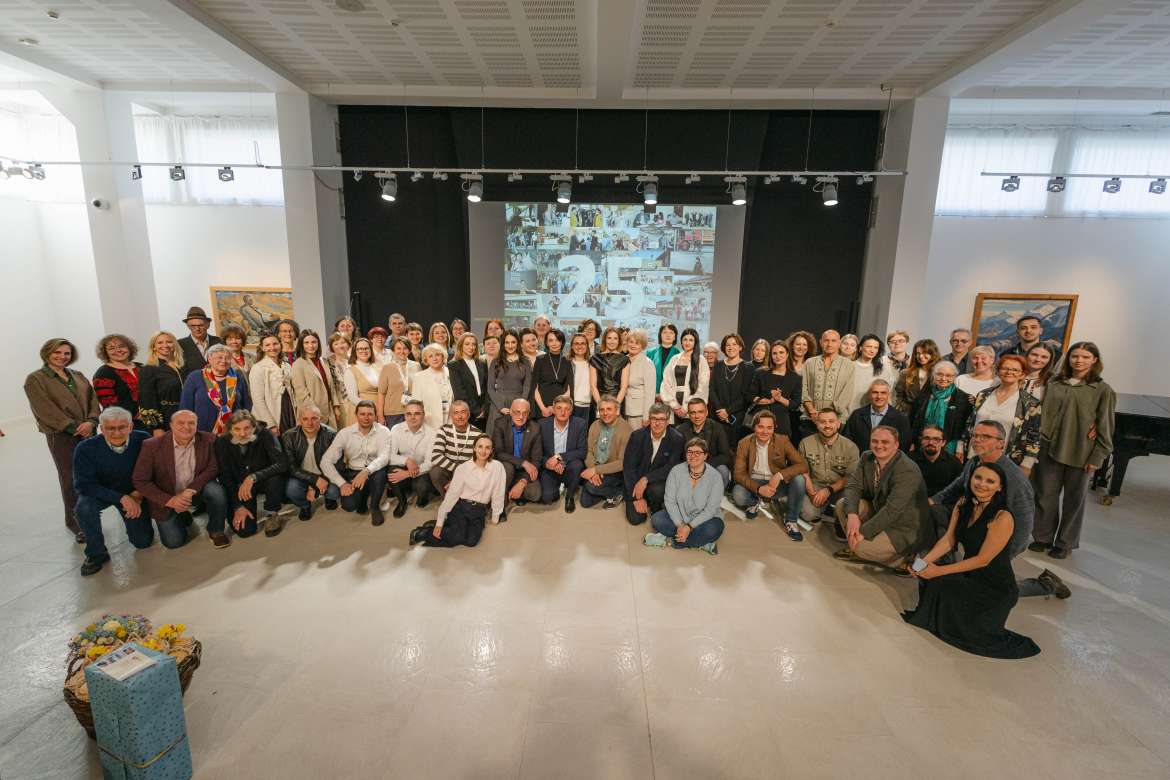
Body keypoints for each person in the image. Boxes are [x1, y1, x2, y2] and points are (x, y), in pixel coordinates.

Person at [904, 462, 1041, 659]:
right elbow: (949, 540)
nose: (982, 484)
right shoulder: (963, 504)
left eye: (990, 481)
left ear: (1000, 487)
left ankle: (1044, 584)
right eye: (978, 478)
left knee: (939, 580)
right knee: (931, 580)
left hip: (994, 587)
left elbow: (983, 560)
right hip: (969, 575)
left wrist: (939, 570)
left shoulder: (1002, 516)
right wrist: (921, 564)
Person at [932, 420, 1068, 599]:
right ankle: (949, 565)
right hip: (976, 531)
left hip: (997, 542)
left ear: (1001, 444)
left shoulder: (1014, 479)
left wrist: (1002, 557)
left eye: (985, 437)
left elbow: (1024, 525)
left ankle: (1046, 584)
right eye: (975, 435)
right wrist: (933, 500)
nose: (977, 440)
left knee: (983, 592)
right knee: (934, 513)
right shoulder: (974, 463)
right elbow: (958, 486)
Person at [1032, 342, 1115, 559]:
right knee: (1045, 495)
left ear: (1094, 360)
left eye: (1085, 357)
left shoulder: (1102, 389)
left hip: (1081, 451)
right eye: (1075, 356)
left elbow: (1106, 426)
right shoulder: (1054, 382)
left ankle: (1065, 542)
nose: (1079, 361)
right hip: (1049, 446)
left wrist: (1097, 456)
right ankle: (1042, 537)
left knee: (1074, 500)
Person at [26, 338, 100, 542]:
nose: (62, 356)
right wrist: (74, 427)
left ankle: (90, 514)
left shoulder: (77, 375)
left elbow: (93, 400)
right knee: (71, 479)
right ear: (47, 353)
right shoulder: (36, 379)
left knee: (90, 475)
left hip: (89, 431)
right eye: (57, 352)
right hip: (62, 436)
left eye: (66, 353)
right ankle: (77, 523)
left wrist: (92, 421)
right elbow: (44, 410)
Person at [834, 425, 931, 567]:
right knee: (843, 505)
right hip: (879, 511)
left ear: (896, 444)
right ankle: (861, 546)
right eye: (875, 441)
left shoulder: (907, 470)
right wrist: (853, 515)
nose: (879, 446)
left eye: (885, 442)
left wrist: (862, 532)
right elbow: (853, 486)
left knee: (860, 547)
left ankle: (906, 558)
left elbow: (893, 511)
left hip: (904, 526)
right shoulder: (867, 456)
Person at [132, 409, 228, 549]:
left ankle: (216, 531)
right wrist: (170, 501)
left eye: (191, 423)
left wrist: (190, 490)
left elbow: (213, 468)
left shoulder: (209, 439)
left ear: (197, 425)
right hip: (167, 497)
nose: (186, 427)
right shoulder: (152, 445)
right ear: (171, 425)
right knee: (173, 543)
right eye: (181, 423)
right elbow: (140, 480)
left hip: (196, 491)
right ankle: (183, 516)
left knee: (216, 491)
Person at [72, 407, 150, 575]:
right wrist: (121, 498)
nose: (116, 433)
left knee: (143, 542)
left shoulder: (143, 440)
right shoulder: (85, 448)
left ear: (130, 427)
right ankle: (96, 553)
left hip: (134, 492)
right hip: (102, 493)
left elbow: (155, 471)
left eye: (122, 427)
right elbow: (83, 485)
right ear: (101, 428)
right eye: (110, 428)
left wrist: (138, 493)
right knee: (84, 508)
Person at [409, 434, 505, 547]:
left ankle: (446, 526)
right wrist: (439, 522)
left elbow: (498, 493)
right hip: (461, 507)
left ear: (491, 450)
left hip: (479, 511)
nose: (483, 451)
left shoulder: (497, 467)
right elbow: (451, 496)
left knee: (471, 541)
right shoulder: (463, 468)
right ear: (474, 448)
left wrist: (495, 517)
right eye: (480, 446)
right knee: (457, 536)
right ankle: (422, 533)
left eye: (487, 447)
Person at [214, 409, 292, 539]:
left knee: (275, 477)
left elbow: (282, 463)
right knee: (245, 531)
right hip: (241, 488)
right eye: (237, 429)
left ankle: (272, 513)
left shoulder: (265, 434)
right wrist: (237, 507)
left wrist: (253, 477)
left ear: (254, 427)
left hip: (264, 480)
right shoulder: (222, 442)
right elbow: (225, 477)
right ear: (230, 430)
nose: (242, 433)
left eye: (247, 428)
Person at [731, 410, 808, 540]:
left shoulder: (782, 440)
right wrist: (759, 489)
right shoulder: (744, 443)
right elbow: (738, 474)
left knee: (799, 480)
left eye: (769, 428)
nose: (765, 431)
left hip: (777, 484)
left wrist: (779, 475)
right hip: (755, 483)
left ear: (774, 428)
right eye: (760, 427)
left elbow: (802, 465)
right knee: (738, 494)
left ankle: (791, 520)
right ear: (754, 427)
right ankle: (756, 501)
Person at [643, 438, 725, 555]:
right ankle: (702, 543)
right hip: (680, 516)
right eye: (689, 452)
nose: (693, 456)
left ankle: (669, 540)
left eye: (698, 453)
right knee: (657, 519)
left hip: (704, 520)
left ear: (705, 456)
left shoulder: (715, 477)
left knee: (714, 529)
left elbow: (710, 510)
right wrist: (680, 525)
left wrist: (689, 527)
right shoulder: (676, 471)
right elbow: (670, 501)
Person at [960, 355, 1040, 472]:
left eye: (1015, 370)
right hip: (975, 454)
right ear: (998, 371)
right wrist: (960, 447)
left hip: (1005, 460)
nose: (1009, 372)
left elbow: (1034, 436)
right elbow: (970, 423)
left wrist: (1027, 465)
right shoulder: (983, 395)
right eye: (1005, 368)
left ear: (1022, 374)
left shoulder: (1031, 403)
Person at [320, 400, 393, 526]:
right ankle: (364, 495)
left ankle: (375, 507)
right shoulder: (345, 433)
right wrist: (342, 484)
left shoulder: (384, 431)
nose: (366, 417)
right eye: (362, 414)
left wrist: (366, 471)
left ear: (375, 415)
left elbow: (384, 457)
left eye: (370, 414)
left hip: (374, 471)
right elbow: (325, 461)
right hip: (353, 471)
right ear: (356, 415)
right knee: (349, 505)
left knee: (380, 473)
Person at [622, 403, 684, 525]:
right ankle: (645, 500)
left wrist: (646, 479)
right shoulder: (637, 436)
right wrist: (637, 498)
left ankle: (655, 504)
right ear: (649, 419)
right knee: (636, 519)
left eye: (662, 419)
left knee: (657, 492)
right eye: (654, 418)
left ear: (668, 421)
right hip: (636, 482)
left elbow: (671, 467)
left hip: (656, 482)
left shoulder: (677, 438)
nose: (657, 423)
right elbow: (629, 467)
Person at [797, 407, 859, 524]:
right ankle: (827, 511)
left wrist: (829, 490)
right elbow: (804, 473)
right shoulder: (805, 443)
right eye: (822, 422)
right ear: (817, 424)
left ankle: (832, 511)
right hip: (816, 486)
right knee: (808, 514)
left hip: (840, 488)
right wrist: (812, 494)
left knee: (850, 506)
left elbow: (850, 477)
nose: (827, 425)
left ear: (838, 424)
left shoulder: (851, 447)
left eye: (831, 421)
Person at [282, 403, 339, 521]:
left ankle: (329, 498)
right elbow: (291, 468)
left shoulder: (331, 435)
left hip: (325, 475)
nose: (309, 423)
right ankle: (305, 505)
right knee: (292, 489)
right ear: (299, 420)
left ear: (320, 419)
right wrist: (313, 482)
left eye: (314, 418)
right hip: (301, 476)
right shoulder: (289, 436)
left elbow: (337, 465)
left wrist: (318, 484)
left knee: (334, 491)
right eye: (305, 419)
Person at [179, 343, 252, 434]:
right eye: (219, 357)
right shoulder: (195, 377)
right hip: (202, 432)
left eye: (227, 358)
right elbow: (185, 407)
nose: (224, 361)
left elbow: (246, 405)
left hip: (234, 431)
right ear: (209, 359)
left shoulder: (237, 376)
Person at [385, 400, 437, 518]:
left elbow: (430, 463)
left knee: (423, 489)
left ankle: (422, 496)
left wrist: (407, 474)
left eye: (417, 414)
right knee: (391, 470)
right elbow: (389, 456)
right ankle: (402, 501)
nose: (412, 417)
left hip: (421, 470)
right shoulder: (396, 429)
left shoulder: (432, 433)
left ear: (423, 415)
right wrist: (407, 461)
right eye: (409, 414)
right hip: (404, 466)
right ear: (404, 416)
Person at [800, 329, 856, 437]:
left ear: (839, 343)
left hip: (836, 420)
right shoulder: (809, 363)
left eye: (833, 341)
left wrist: (826, 416)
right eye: (826, 340)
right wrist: (811, 411)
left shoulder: (849, 365)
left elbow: (847, 393)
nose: (829, 344)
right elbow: (803, 389)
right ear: (821, 342)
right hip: (810, 418)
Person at [580, 396, 632, 509]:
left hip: (614, 471)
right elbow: (588, 451)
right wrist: (594, 470)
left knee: (591, 487)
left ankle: (619, 491)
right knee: (585, 502)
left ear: (617, 411)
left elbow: (622, 463)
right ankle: (606, 491)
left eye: (609, 409)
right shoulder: (595, 425)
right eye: (602, 410)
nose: (605, 413)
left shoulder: (626, 429)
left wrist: (596, 470)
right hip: (596, 466)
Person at [491, 398, 543, 509]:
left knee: (535, 494)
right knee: (508, 468)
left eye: (525, 413)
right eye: (517, 412)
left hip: (523, 472)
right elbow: (498, 453)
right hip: (506, 467)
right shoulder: (500, 423)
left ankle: (512, 489)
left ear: (529, 413)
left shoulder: (535, 428)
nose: (521, 416)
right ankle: (501, 499)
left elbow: (537, 459)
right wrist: (523, 462)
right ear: (510, 411)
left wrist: (523, 482)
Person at [538, 395, 588, 511]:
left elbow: (582, 451)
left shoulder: (579, 424)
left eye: (567, 409)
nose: (563, 412)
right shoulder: (542, 424)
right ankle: (559, 486)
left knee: (578, 465)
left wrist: (559, 457)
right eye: (559, 408)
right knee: (547, 497)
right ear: (553, 409)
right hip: (550, 468)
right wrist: (549, 463)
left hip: (569, 465)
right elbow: (538, 453)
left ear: (571, 411)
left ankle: (569, 496)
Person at [910, 361, 971, 453]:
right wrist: (912, 442)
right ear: (933, 375)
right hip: (923, 444)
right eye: (939, 374)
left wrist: (960, 447)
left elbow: (963, 426)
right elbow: (913, 421)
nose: (943, 378)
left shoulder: (963, 398)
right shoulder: (923, 396)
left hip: (950, 447)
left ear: (954, 377)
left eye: (948, 375)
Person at [749, 340, 801, 439]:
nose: (778, 356)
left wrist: (780, 398)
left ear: (787, 354)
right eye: (774, 353)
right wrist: (764, 401)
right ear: (771, 356)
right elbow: (749, 395)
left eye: (781, 352)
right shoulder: (761, 373)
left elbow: (796, 403)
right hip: (760, 419)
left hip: (782, 422)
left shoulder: (795, 378)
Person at [675, 398, 732, 486]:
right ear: (688, 414)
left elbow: (725, 455)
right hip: (688, 466)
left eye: (700, 412)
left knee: (723, 470)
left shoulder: (717, 428)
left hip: (710, 465)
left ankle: (715, 493)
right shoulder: (681, 430)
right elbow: (676, 457)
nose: (697, 416)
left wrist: (703, 466)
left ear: (707, 412)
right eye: (693, 412)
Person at [844, 378, 911, 453]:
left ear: (888, 395)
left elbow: (903, 447)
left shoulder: (901, 419)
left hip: (888, 460)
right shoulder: (857, 415)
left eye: (883, 393)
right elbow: (847, 441)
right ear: (869, 395)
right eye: (875, 392)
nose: (879, 396)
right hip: (860, 459)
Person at [429, 400, 482, 493]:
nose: (460, 416)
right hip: (449, 469)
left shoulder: (478, 434)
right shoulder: (444, 430)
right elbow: (436, 456)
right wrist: (457, 469)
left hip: (468, 471)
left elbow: (479, 461)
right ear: (451, 416)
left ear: (468, 414)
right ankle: (447, 497)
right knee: (435, 472)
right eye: (456, 413)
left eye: (463, 412)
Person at [709, 333, 754, 442]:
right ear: (724, 348)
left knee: (735, 448)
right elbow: (712, 389)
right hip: (717, 416)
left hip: (737, 418)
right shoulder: (718, 365)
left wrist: (728, 412)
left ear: (740, 347)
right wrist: (720, 410)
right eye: (727, 345)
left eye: (734, 344)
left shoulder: (748, 367)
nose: (730, 347)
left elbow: (746, 395)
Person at [138, 331, 185, 435]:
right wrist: (156, 427)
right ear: (154, 347)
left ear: (174, 345)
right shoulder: (148, 369)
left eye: (169, 342)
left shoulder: (182, 367)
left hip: (186, 415)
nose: (165, 345)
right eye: (160, 343)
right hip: (165, 418)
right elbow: (146, 401)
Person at [486, 330, 532, 433]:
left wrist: (520, 405)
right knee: (497, 437)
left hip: (519, 403)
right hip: (499, 404)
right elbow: (490, 388)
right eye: (507, 342)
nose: (510, 346)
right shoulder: (496, 362)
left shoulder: (525, 362)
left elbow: (527, 386)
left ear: (518, 343)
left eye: (513, 342)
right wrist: (501, 407)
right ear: (503, 344)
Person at [660, 327, 709, 422]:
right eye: (685, 339)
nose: (687, 342)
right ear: (681, 342)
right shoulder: (674, 359)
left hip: (692, 409)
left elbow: (702, 386)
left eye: (691, 340)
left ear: (695, 342)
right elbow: (666, 383)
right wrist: (674, 405)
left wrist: (686, 407)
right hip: (673, 408)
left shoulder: (701, 360)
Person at [249, 334, 294, 434]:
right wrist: (270, 424)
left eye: (275, 344)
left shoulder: (286, 365)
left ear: (280, 345)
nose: (272, 348)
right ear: (262, 348)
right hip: (271, 414)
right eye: (268, 345)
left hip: (288, 410)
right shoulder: (258, 368)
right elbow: (258, 400)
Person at [290, 330, 336, 428]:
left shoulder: (324, 361)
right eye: (306, 343)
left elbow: (331, 386)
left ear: (318, 344)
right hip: (311, 413)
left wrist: (336, 406)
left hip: (329, 410)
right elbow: (301, 393)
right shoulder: (298, 364)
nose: (310, 345)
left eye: (314, 342)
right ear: (301, 345)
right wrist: (314, 412)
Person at [92, 334, 142, 421]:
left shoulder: (141, 367)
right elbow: (108, 404)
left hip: (151, 418)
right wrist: (135, 414)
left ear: (129, 348)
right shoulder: (103, 373)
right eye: (111, 348)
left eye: (122, 346)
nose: (118, 350)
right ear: (105, 352)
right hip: (123, 422)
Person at [376, 336, 418, 429]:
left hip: (413, 412)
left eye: (405, 348)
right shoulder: (387, 368)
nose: (402, 351)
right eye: (398, 348)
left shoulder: (416, 366)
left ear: (409, 350)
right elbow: (381, 393)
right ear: (393, 351)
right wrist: (380, 415)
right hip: (392, 414)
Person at [410, 343, 454, 430]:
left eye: (437, 355)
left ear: (443, 356)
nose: (434, 358)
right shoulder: (419, 377)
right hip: (429, 423)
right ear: (426, 360)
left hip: (451, 421)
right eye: (430, 356)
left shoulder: (453, 373)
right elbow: (416, 404)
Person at [909, 425, 964, 495]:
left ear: (943, 443)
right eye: (926, 438)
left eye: (936, 439)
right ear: (921, 441)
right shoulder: (910, 460)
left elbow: (957, 490)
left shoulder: (954, 463)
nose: (931, 442)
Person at [850, 333, 899, 411]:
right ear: (860, 348)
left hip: (871, 413)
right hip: (848, 412)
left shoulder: (882, 370)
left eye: (876, 348)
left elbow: (887, 395)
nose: (872, 350)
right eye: (869, 346)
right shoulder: (849, 366)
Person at [448, 333, 488, 427]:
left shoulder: (482, 363)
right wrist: (476, 411)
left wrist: (485, 408)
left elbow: (486, 387)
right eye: (467, 344)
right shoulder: (454, 365)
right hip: (467, 411)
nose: (471, 347)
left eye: (473, 344)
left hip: (484, 411)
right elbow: (459, 392)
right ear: (461, 345)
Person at [533, 329, 573, 418]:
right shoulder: (540, 360)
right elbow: (534, 388)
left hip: (561, 408)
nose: (554, 343)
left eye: (557, 340)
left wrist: (557, 407)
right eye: (551, 340)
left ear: (562, 342)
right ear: (547, 343)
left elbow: (569, 388)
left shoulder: (567, 361)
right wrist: (543, 408)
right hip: (542, 407)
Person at [894, 338, 940, 413]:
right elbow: (899, 395)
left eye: (924, 352)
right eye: (918, 353)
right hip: (908, 414)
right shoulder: (905, 373)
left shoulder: (940, 374)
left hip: (929, 414)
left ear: (933, 353)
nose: (920, 356)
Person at [623, 328, 657, 428]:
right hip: (622, 409)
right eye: (631, 342)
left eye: (637, 343)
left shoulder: (647, 363)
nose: (633, 345)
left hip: (638, 412)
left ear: (642, 346)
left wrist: (647, 416)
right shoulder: (623, 360)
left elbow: (650, 393)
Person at [589, 326, 630, 407]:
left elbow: (624, 387)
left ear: (619, 341)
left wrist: (615, 406)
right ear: (605, 340)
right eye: (609, 338)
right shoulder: (595, 359)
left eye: (615, 338)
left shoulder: (624, 359)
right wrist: (600, 406)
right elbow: (593, 386)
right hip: (598, 401)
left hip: (617, 401)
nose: (612, 341)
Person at [177, 306, 221, 378]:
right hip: (194, 384)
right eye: (193, 326)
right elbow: (181, 371)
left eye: (200, 325)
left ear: (208, 325)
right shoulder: (180, 345)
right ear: (188, 326)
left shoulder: (219, 342)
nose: (197, 329)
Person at [345, 337, 382, 413]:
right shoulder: (350, 371)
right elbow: (353, 397)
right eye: (360, 349)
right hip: (363, 412)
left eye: (366, 348)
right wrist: (369, 409)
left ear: (371, 350)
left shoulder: (377, 367)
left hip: (379, 410)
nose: (363, 351)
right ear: (355, 352)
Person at [325, 332, 354, 428]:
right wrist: (336, 406)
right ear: (331, 347)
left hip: (355, 401)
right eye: (336, 344)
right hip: (340, 404)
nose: (340, 346)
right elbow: (330, 387)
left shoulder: (355, 360)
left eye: (342, 342)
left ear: (348, 344)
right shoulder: (328, 363)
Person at [646, 324, 680, 397]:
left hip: (672, 396)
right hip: (652, 395)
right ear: (660, 335)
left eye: (671, 332)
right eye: (665, 332)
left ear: (675, 337)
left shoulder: (679, 354)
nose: (668, 335)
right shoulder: (650, 353)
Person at [567, 332, 594, 422]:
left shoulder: (593, 363)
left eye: (583, 343)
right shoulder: (567, 363)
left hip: (589, 406)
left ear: (587, 346)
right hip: (572, 405)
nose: (580, 346)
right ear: (572, 346)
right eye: (576, 343)